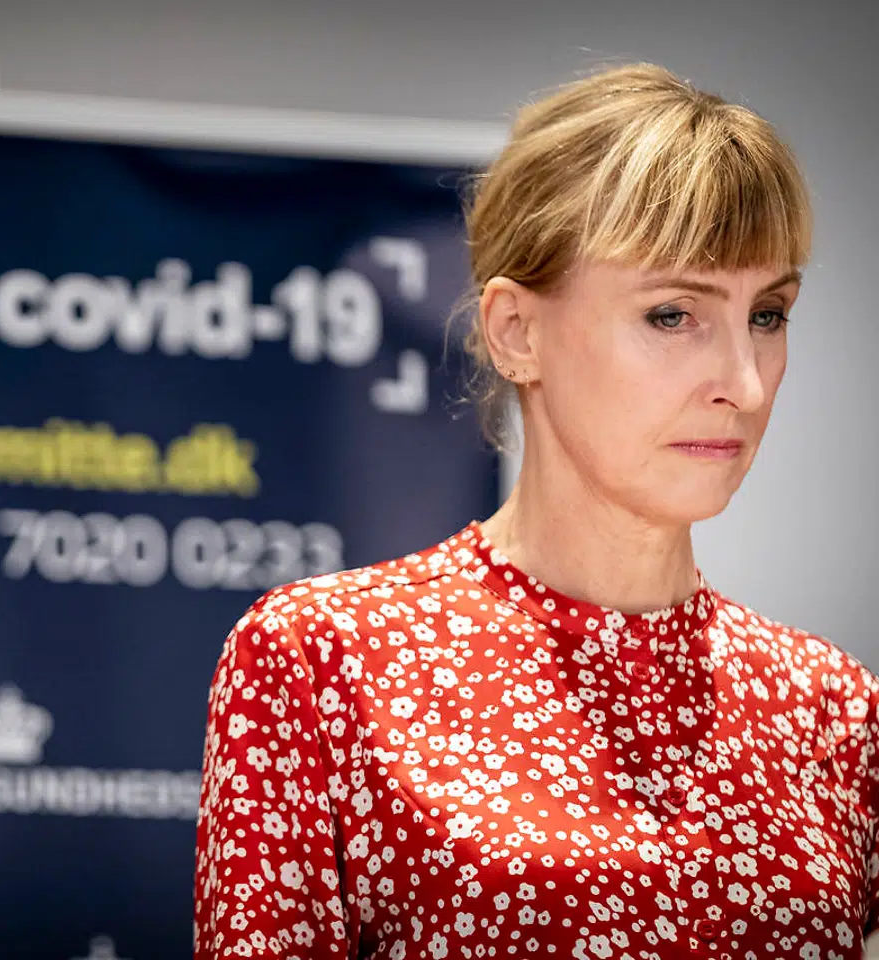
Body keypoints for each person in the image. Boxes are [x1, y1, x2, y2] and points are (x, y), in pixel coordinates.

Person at [192, 61, 879, 960]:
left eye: (769, 315)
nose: (745, 386)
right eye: (673, 315)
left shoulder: (831, 709)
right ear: (516, 331)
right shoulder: (324, 665)